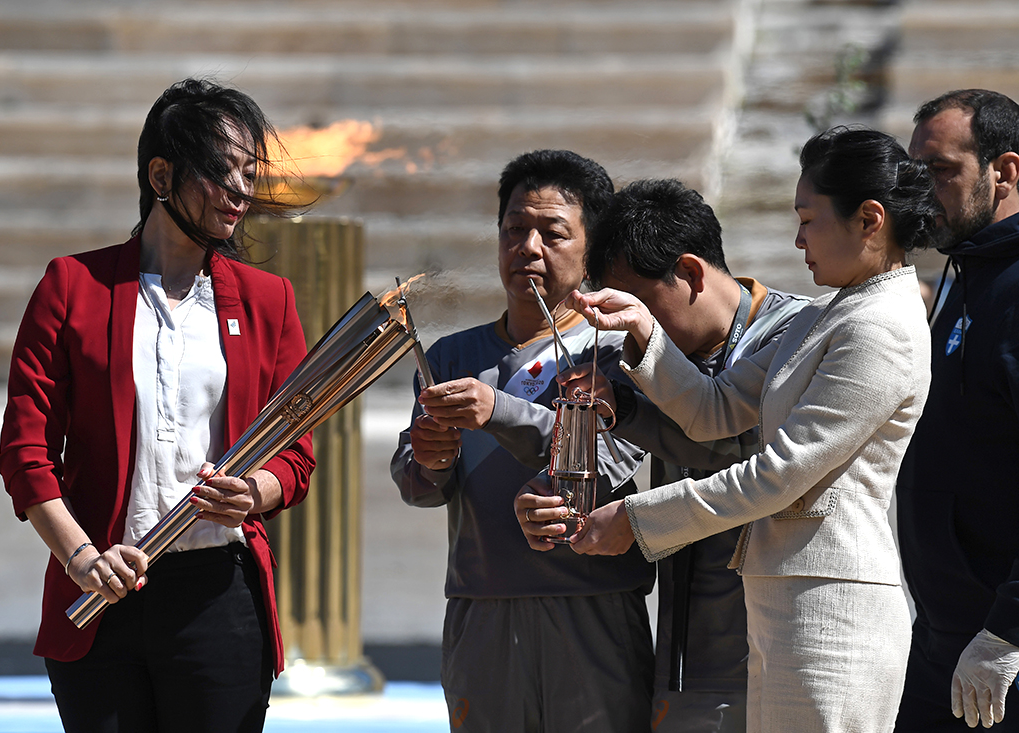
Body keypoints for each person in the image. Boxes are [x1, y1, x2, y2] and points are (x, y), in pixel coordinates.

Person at [551, 127, 940, 732]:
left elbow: (777, 475)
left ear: (869, 219)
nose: (798, 238)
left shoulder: (880, 327)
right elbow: (716, 409)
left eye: (809, 219)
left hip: (833, 612)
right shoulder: (830, 314)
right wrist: (643, 327)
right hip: (785, 604)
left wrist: (637, 519)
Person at [0, 78, 317, 732]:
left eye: (249, 173)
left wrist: (254, 491)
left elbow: (297, 452)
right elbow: (26, 453)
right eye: (220, 170)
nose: (240, 191)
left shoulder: (268, 300)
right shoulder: (72, 286)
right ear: (162, 175)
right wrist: (82, 556)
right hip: (99, 591)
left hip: (219, 597)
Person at [522, 178, 808, 732]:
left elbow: (736, 450)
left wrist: (629, 405)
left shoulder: (795, 334)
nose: (639, 335)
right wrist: (546, 495)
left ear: (692, 273)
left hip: (784, 653)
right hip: (687, 664)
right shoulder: (641, 354)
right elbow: (608, 456)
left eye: (644, 310)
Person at [390, 149, 656, 731]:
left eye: (552, 233)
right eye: (514, 230)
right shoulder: (452, 357)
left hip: (592, 614)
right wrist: (428, 462)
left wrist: (499, 411)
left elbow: (608, 462)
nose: (528, 248)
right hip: (481, 612)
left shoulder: (618, 354)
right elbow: (417, 481)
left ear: (591, 247)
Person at [894, 89, 1019, 731]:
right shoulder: (965, 276)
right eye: (913, 174)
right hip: (945, 637)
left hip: (1002, 654)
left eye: (941, 171)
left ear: (1005, 173)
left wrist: (1007, 633)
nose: (922, 191)